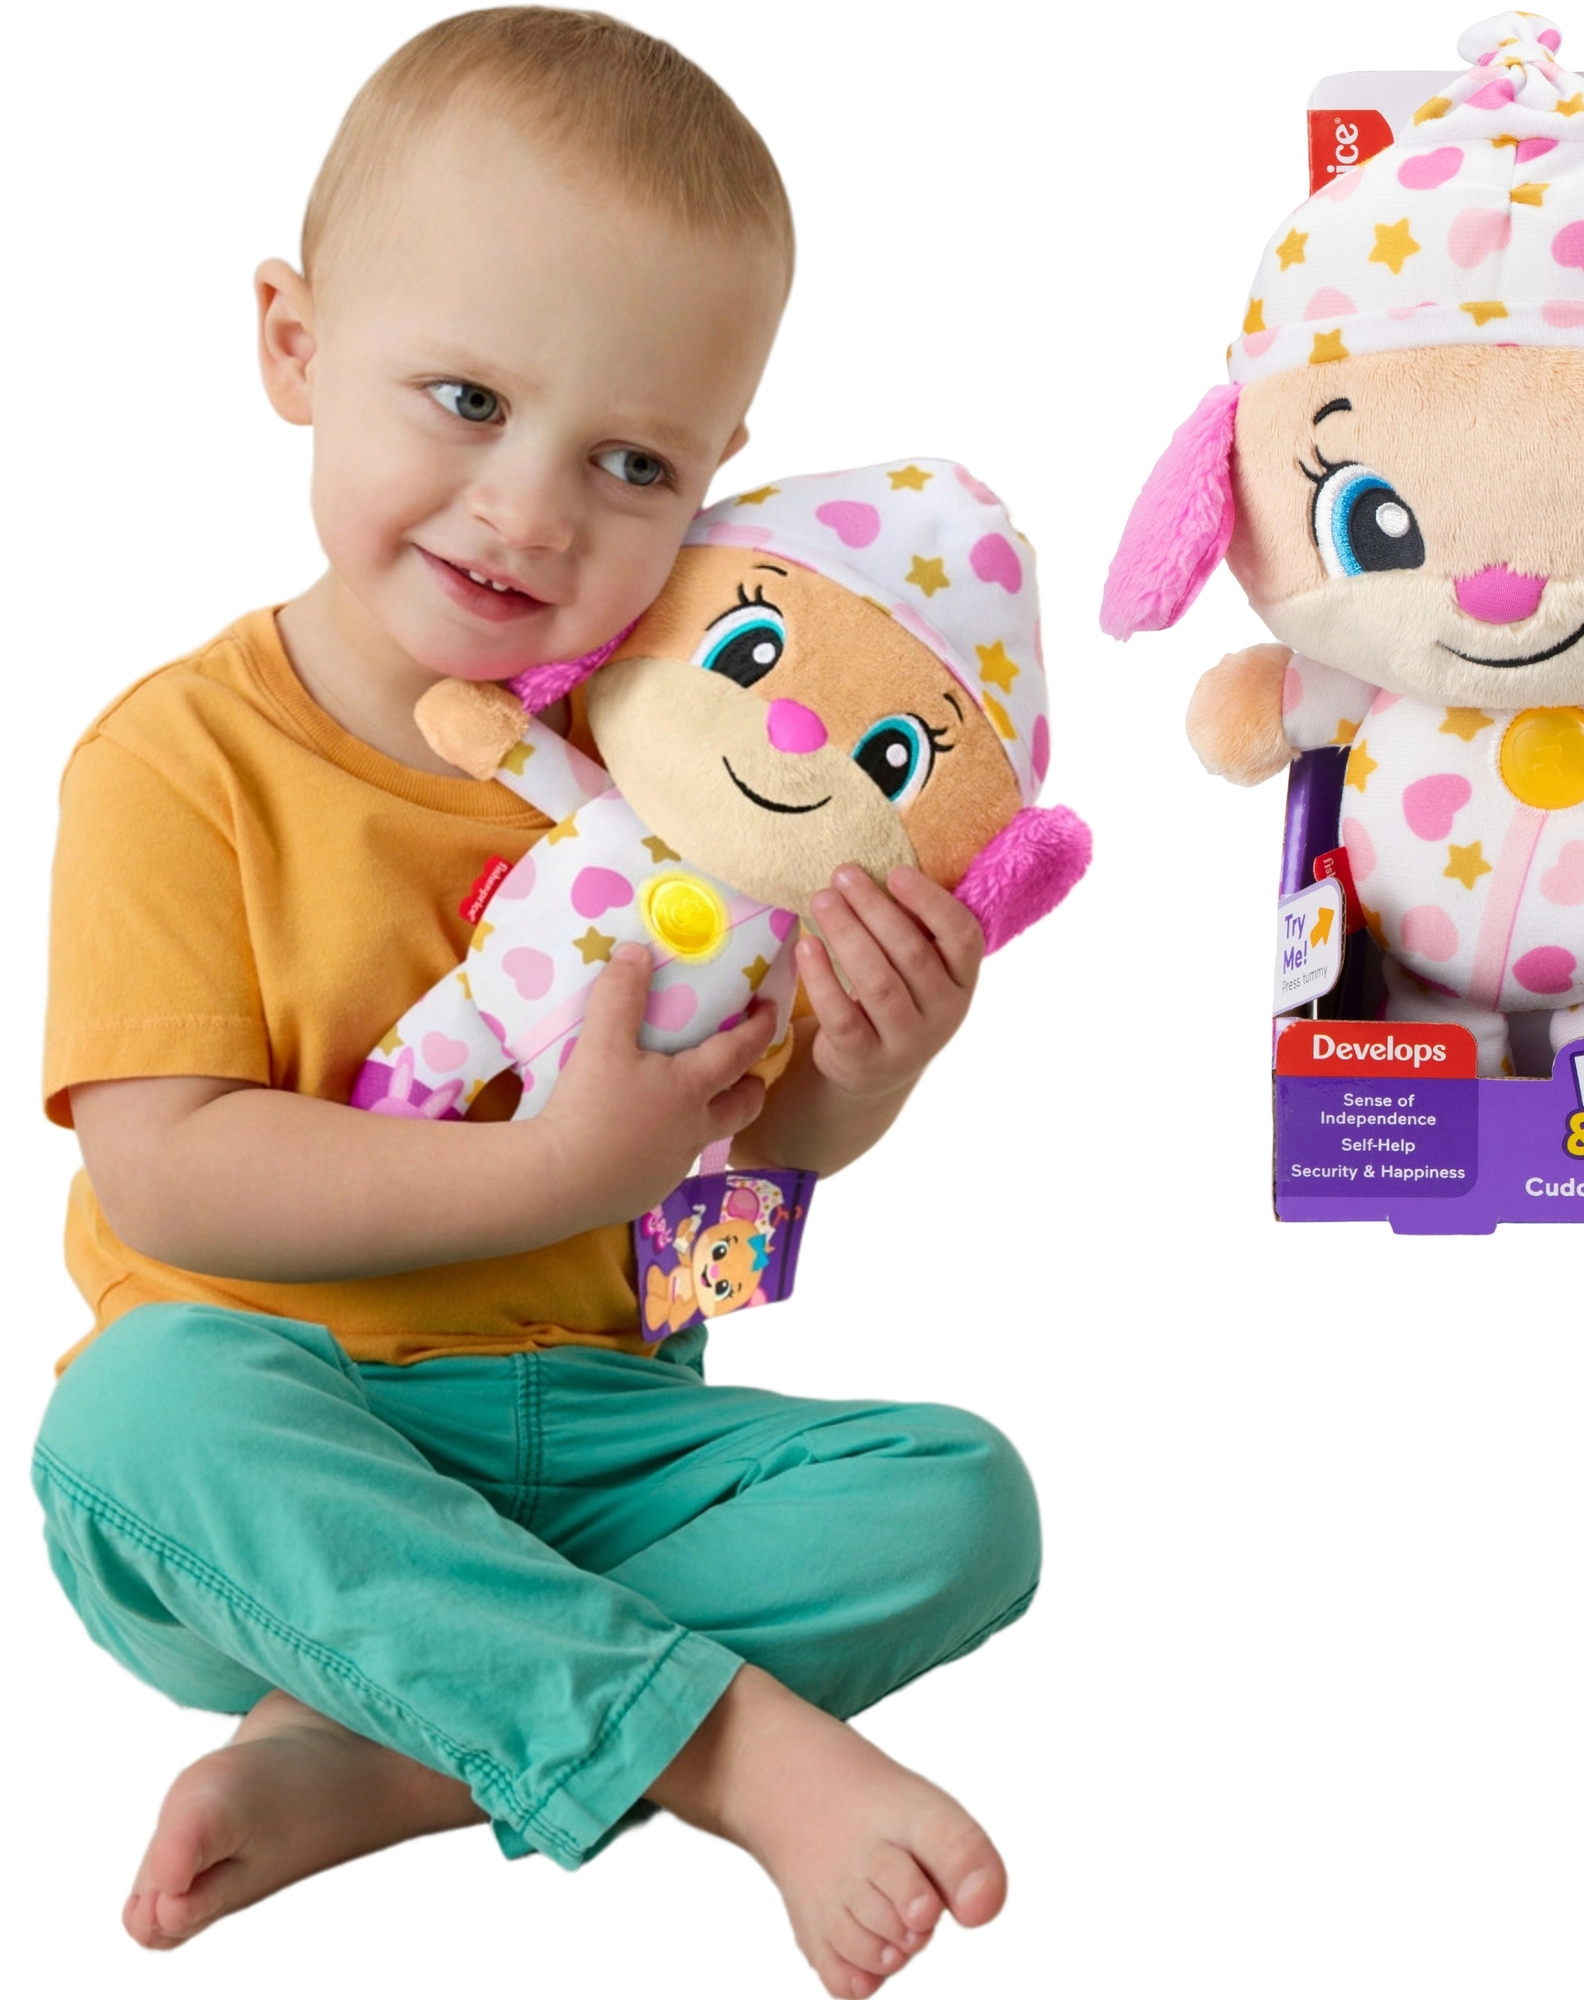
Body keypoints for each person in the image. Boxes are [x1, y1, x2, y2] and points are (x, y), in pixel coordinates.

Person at [31, 12, 1038, 1997]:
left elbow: (738, 1174)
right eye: (469, 398)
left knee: (963, 1505)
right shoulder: (174, 760)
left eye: (631, 461)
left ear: (715, 479)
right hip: (283, 1447)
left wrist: (867, 1067)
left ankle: (395, 1754)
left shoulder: (702, 777)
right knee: (128, 1419)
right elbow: (170, 1180)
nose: (529, 508)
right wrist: (558, 1171)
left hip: (598, 1430)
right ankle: (724, 1747)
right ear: (293, 346)